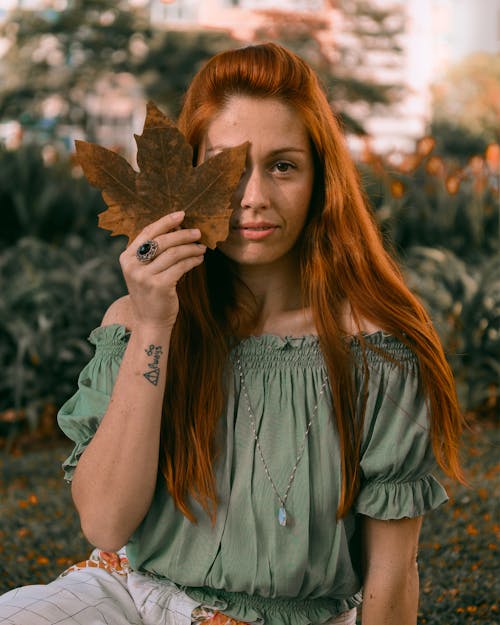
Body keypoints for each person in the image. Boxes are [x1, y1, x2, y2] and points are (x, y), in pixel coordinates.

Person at [0, 42, 464, 625]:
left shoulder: (375, 351)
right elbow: (104, 523)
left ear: (321, 180)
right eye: (229, 166)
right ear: (190, 178)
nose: (253, 198)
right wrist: (153, 324)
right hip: (132, 598)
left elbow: (393, 573)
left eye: (283, 165)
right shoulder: (137, 320)